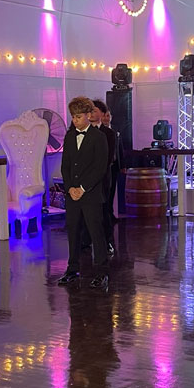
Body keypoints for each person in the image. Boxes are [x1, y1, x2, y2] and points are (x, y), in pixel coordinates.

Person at [59, 96, 109, 289]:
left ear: (88, 115)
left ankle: (101, 272)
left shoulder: (99, 137)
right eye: (73, 117)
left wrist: (82, 188)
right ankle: (72, 269)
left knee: (96, 233)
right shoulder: (69, 137)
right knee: (73, 231)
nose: (75, 121)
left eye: (78, 117)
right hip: (72, 194)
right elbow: (65, 165)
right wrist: (69, 187)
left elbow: (100, 167)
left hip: (91, 194)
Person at [90, 99, 117, 254]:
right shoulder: (82, 132)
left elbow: (108, 158)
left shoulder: (109, 133)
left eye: (94, 111)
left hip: (103, 178)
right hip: (86, 179)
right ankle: (86, 241)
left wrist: (96, 173)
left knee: (104, 210)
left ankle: (108, 242)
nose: (91, 114)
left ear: (102, 113)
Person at [103, 107, 126, 222]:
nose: (106, 118)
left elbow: (120, 148)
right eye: (104, 116)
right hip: (105, 165)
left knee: (112, 190)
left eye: (108, 116)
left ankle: (110, 213)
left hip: (115, 165)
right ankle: (105, 215)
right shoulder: (100, 132)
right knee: (105, 191)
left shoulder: (115, 130)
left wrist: (123, 165)